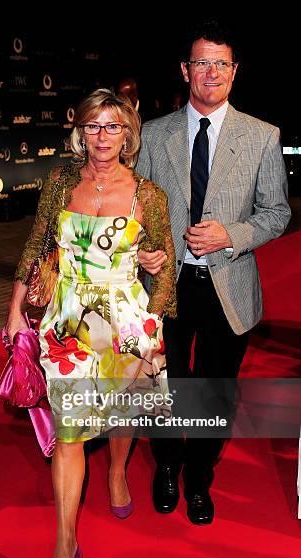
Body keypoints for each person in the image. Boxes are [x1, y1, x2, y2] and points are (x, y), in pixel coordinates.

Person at [5, 88, 176, 558]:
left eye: (113, 126)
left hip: (125, 319)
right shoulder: (59, 183)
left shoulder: (148, 194)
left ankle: (118, 471)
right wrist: (17, 310)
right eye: (93, 125)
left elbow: (164, 261)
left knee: (123, 411)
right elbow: (37, 244)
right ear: (80, 132)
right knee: (71, 430)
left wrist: (155, 314)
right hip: (68, 322)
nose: (103, 135)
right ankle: (64, 543)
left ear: (128, 135)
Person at [136, 20, 291, 525]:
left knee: (216, 390)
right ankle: (166, 466)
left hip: (230, 284)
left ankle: (199, 477)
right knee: (163, 386)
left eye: (220, 63)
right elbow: (136, 209)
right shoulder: (153, 135)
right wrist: (141, 249)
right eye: (201, 62)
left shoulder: (262, 137)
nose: (210, 72)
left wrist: (232, 236)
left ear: (234, 71)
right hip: (166, 285)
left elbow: (277, 212)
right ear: (185, 71)